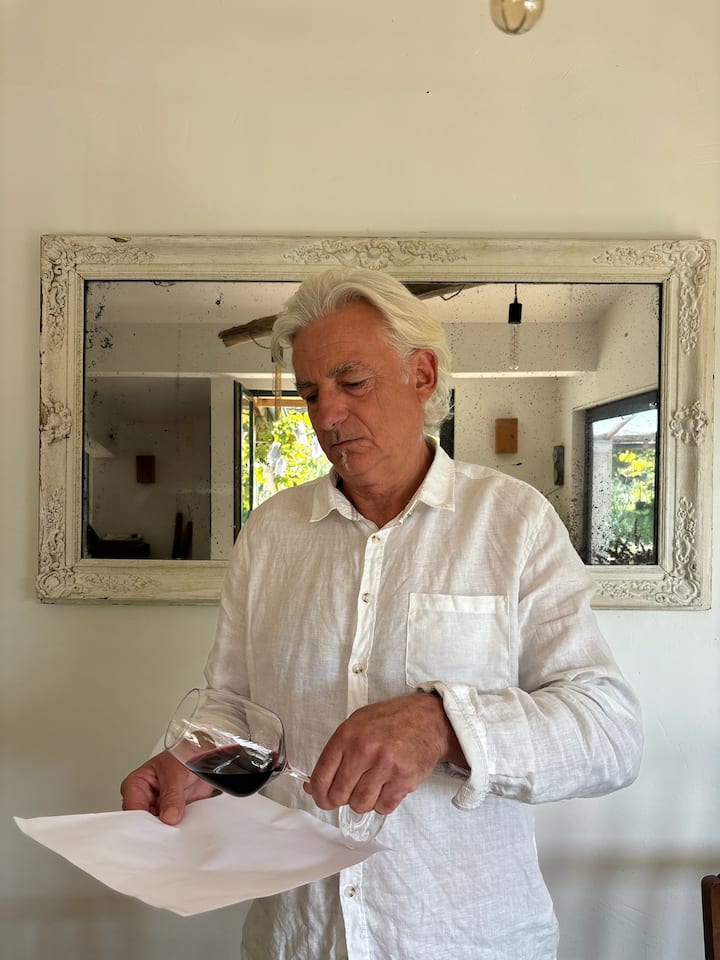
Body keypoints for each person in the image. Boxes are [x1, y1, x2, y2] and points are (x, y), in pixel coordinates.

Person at [121, 267, 643, 960]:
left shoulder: (513, 522)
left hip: (463, 939)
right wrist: (199, 763)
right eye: (311, 393)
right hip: (299, 937)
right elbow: (236, 711)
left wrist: (445, 725)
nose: (327, 416)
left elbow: (609, 732)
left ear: (421, 375)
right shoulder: (270, 534)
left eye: (352, 382)